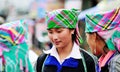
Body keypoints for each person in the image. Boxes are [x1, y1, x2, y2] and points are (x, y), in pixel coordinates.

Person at [85, 7, 120, 72]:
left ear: (94, 36)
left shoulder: (115, 62)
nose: (86, 40)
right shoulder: (103, 62)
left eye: (86, 36)